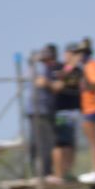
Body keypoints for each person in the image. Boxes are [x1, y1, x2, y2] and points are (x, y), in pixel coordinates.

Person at [50, 43, 85, 182]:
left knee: (71, 145)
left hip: (75, 112)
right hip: (61, 112)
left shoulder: (79, 71)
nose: (76, 57)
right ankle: (58, 174)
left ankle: (67, 172)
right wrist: (69, 67)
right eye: (73, 53)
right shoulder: (58, 67)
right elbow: (57, 84)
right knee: (60, 143)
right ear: (66, 54)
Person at [27, 44, 60, 176]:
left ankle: (45, 172)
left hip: (44, 111)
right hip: (36, 111)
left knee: (45, 144)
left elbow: (53, 85)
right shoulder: (39, 68)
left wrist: (48, 83)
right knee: (37, 145)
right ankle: (39, 173)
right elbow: (39, 82)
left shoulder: (53, 69)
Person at [76, 38, 95, 176]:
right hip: (87, 107)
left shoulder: (91, 65)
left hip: (92, 107)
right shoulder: (85, 66)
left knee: (93, 139)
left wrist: (85, 81)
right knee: (91, 139)